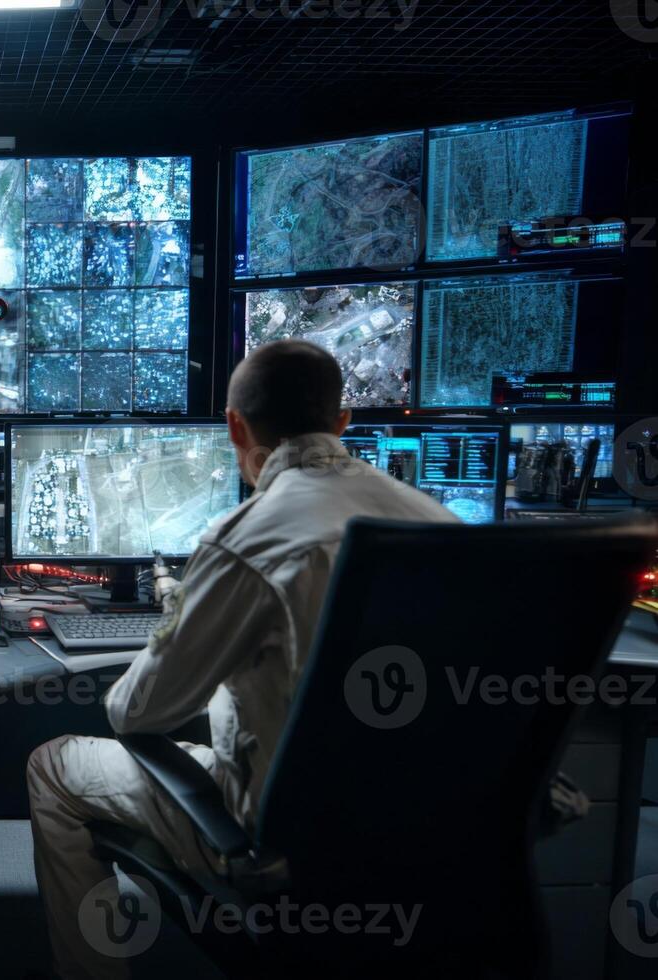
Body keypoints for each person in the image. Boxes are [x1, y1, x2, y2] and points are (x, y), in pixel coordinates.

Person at [26, 339, 457, 980]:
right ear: (343, 423)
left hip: (291, 841)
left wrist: (183, 622)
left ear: (235, 426)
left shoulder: (244, 540)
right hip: (440, 831)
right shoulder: (440, 523)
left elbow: (136, 712)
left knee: (54, 764)